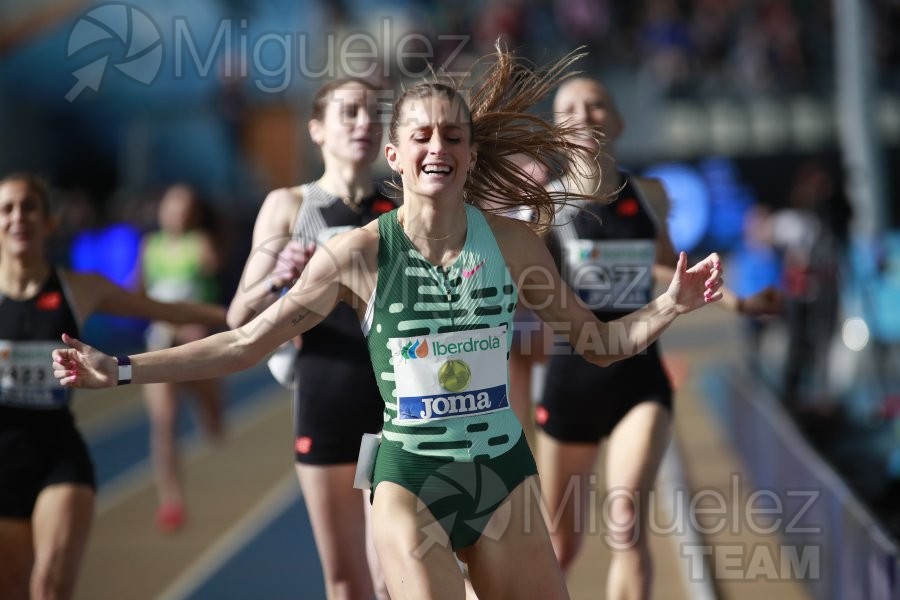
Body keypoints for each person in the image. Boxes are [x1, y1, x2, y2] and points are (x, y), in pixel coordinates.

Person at [51, 47, 724, 600]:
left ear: (469, 154)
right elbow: (246, 340)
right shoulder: (358, 254)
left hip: (503, 477)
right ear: (395, 158)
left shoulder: (515, 247)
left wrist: (670, 305)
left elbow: (599, 343)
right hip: (409, 476)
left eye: (453, 136)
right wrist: (122, 369)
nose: (439, 147)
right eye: (421, 136)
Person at [533, 76, 781, 599]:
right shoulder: (543, 208)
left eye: (595, 104)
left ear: (617, 121)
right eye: (568, 108)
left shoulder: (649, 194)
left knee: (625, 521)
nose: (583, 114)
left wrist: (735, 300)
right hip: (570, 383)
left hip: (638, 381)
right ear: (556, 132)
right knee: (559, 548)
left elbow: (670, 268)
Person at [0, 173, 225, 600]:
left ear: (49, 222)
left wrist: (247, 317)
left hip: (57, 460)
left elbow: (162, 308)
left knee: (48, 585)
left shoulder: (77, 288)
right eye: (7, 208)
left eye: (29, 206)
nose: (18, 217)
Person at [225, 78, 395, 600]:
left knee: (391, 577)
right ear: (317, 129)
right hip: (325, 399)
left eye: (373, 113)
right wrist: (276, 274)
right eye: (349, 113)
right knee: (346, 582)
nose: (364, 123)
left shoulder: (402, 203)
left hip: (396, 406)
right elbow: (238, 316)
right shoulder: (289, 206)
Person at [137, 183, 225, 532]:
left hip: (195, 341)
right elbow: (139, 292)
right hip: (160, 342)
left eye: (186, 208)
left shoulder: (200, 245)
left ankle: (212, 410)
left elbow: (218, 286)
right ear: (161, 211)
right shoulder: (150, 247)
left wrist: (199, 321)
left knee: (212, 420)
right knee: (164, 423)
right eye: (172, 206)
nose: (178, 213)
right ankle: (171, 501)